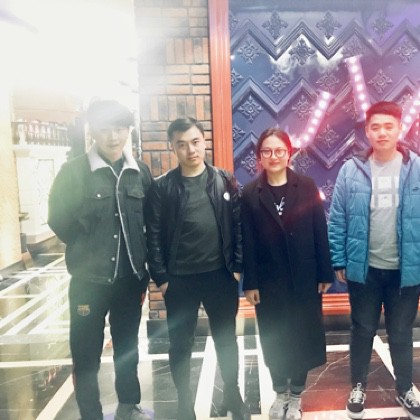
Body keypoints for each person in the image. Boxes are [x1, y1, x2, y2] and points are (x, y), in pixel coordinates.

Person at [48, 100, 152, 420]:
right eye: (106, 129)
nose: (113, 137)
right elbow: (58, 220)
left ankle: (129, 406)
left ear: (128, 131)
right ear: (93, 130)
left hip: (129, 280)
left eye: (120, 129)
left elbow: (150, 219)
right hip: (88, 282)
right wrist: (87, 248)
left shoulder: (139, 172)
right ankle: (90, 414)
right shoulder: (74, 172)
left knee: (128, 349)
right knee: (86, 355)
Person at [146, 117, 250, 420]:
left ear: (204, 141)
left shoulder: (224, 180)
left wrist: (237, 267)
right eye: (182, 144)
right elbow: (153, 235)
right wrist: (161, 278)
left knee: (226, 338)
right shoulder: (162, 187)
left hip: (220, 275)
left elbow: (238, 225)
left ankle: (233, 394)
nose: (190, 150)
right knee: (181, 344)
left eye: (195, 142)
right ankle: (184, 403)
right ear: (173, 148)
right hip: (179, 280)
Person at [328, 101, 420, 420]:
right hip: (364, 270)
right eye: (375, 127)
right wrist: (339, 259)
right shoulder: (351, 170)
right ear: (367, 131)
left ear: (400, 129)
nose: (382, 133)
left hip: (405, 271)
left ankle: (405, 387)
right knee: (362, 329)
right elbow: (337, 218)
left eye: (389, 126)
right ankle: (358, 386)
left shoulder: (416, 168)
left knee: (401, 332)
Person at [241, 128, 333, 420]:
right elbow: (247, 242)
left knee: (303, 336)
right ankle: (280, 392)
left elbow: (319, 230)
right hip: (269, 280)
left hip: (305, 276)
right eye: (267, 151)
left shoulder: (305, 186)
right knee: (274, 337)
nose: (274, 156)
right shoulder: (250, 193)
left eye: (279, 150)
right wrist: (250, 282)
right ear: (259, 157)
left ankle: (295, 397)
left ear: (289, 153)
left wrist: (325, 272)